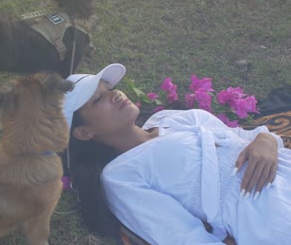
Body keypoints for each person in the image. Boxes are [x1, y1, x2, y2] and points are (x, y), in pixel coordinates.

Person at [63, 63, 291, 245]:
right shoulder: (120, 174)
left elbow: (240, 134)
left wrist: (266, 139)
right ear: (84, 132)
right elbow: (179, 235)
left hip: (283, 167)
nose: (116, 95)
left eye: (110, 89)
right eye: (98, 99)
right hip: (259, 207)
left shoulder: (168, 119)